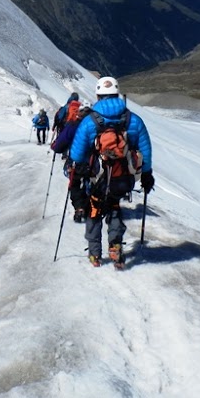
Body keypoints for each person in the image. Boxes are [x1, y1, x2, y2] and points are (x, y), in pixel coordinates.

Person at [69, 76, 154, 267]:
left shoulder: (90, 121)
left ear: (98, 95)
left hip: (97, 177)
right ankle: (115, 245)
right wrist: (146, 174)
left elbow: (77, 153)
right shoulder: (133, 120)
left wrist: (79, 172)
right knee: (114, 206)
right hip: (123, 177)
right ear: (117, 94)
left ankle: (95, 254)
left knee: (94, 209)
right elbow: (145, 149)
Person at [50, 101, 92, 222]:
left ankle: (79, 208)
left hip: (76, 161)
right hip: (93, 161)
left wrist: (56, 147)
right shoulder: (98, 124)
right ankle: (89, 205)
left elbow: (61, 142)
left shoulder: (73, 125)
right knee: (90, 182)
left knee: (75, 184)